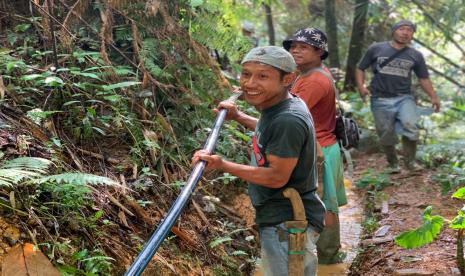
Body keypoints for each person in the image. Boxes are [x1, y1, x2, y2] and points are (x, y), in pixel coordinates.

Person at [192, 46, 325, 275]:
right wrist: (239, 116)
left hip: (288, 221)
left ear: (288, 79)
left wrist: (221, 164)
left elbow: (276, 177)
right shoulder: (282, 105)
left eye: (263, 76)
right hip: (284, 216)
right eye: (246, 74)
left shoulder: (288, 119)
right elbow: (271, 131)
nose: (250, 83)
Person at [283, 27, 348, 264]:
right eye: (293, 46)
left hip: (319, 149)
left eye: (303, 47)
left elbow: (290, 116)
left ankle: (329, 256)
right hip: (318, 146)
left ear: (319, 52)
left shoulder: (315, 81)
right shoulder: (308, 74)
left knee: (324, 204)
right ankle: (324, 254)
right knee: (320, 201)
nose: (295, 51)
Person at [356, 19, 440, 171]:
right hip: (380, 98)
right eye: (402, 29)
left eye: (409, 30)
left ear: (412, 35)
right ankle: (393, 163)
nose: (405, 33)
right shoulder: (376, 48)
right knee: (385, 132)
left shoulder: (416, 55)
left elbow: (423, 78)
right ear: (394, 30)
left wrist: (434, 96)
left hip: (404, 97)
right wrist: (361, 86)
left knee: (411, 126)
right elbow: (360, 68)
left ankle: (410, 163)